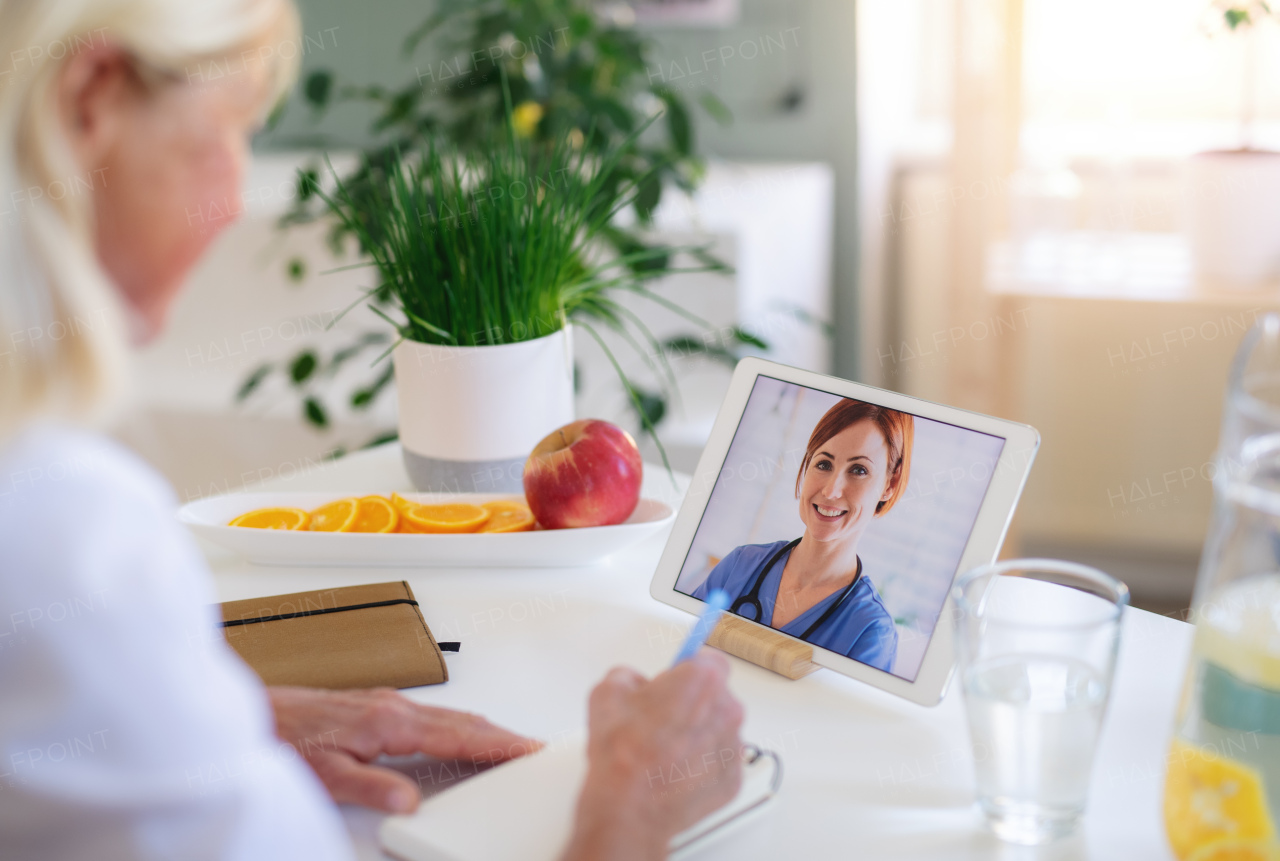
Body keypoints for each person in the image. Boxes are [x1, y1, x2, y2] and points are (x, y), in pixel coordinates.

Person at [0, 1, 743, 859]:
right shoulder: (61, 524)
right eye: (232, 125)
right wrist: (631, 805)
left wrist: (207, 715)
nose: (238, 195)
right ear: (94, 97)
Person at [694, 399, 912, 672]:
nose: (832, 491)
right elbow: (680, 651)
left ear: (889, 485)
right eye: (823, 464)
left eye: (859, 470)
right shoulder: (740, 565)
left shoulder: (870, 632)